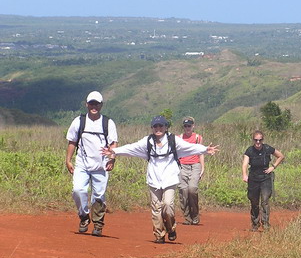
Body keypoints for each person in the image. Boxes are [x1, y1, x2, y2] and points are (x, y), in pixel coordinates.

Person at [101, 116, 218, 244]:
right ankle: (159, 235)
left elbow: (189, 147)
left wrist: (205, 149)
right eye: (155, 126)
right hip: (154, 178)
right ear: (152, 128)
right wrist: (114, 151)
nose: (158, 129)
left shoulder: (173, 140)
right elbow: (131, 148)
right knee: (156, 208)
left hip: (170, 178)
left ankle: (171, 228)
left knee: (167, 205)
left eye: (161, 126)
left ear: (166, 127)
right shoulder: (148, 141)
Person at [66, 91, 118, 237]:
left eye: (97, 103)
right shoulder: (79, 121)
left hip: (101, 165)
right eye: (91, 103)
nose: (94, 106)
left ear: (101, 105)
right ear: (86, 104)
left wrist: (112, 159)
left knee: (99, 196)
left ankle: (98, 224)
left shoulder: (108, 123)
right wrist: (68, 160)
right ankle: (84, 216)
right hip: (82, 163)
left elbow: (113, 143)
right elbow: (72, 141)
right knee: (78, 190)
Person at [242, 131, 284, 232]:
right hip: (253, 178)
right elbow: (245, 164)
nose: (258, 142)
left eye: (260, 140)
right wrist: (244, 174)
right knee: (254, 201)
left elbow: (281, 156)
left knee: (265, 200)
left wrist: (273, 167)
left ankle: (265, 224)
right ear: (253, 140)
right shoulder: (249, 150)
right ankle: (255, 224)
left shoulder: (267, 148)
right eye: (256, 140)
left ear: (263, 140)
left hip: (265, 177)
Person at [177, 116, 205, 225]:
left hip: (195, 165)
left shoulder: (198, 138)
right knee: (183, 191)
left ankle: (195, 215)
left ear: (193, 126)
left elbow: (201, 153)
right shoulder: (179, 138)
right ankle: (187, 217)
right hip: (182, 165)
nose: (187, 128)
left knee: (192, 189)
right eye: (185, 126)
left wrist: (203, 168)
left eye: (189, 126)